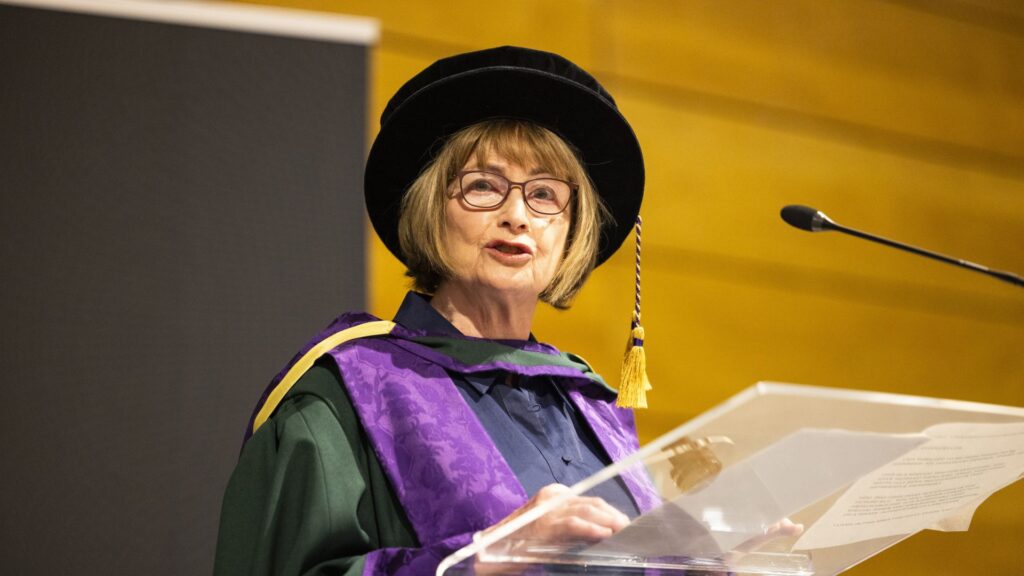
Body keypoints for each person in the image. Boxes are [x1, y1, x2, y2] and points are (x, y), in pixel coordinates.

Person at [213, 46, 655, 576]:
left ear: (571, 229)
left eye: (544, 195)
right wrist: (482, 557)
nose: (517, 216)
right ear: (430, 208)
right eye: (483, 187)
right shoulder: (346, 393)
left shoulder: (589, 406)